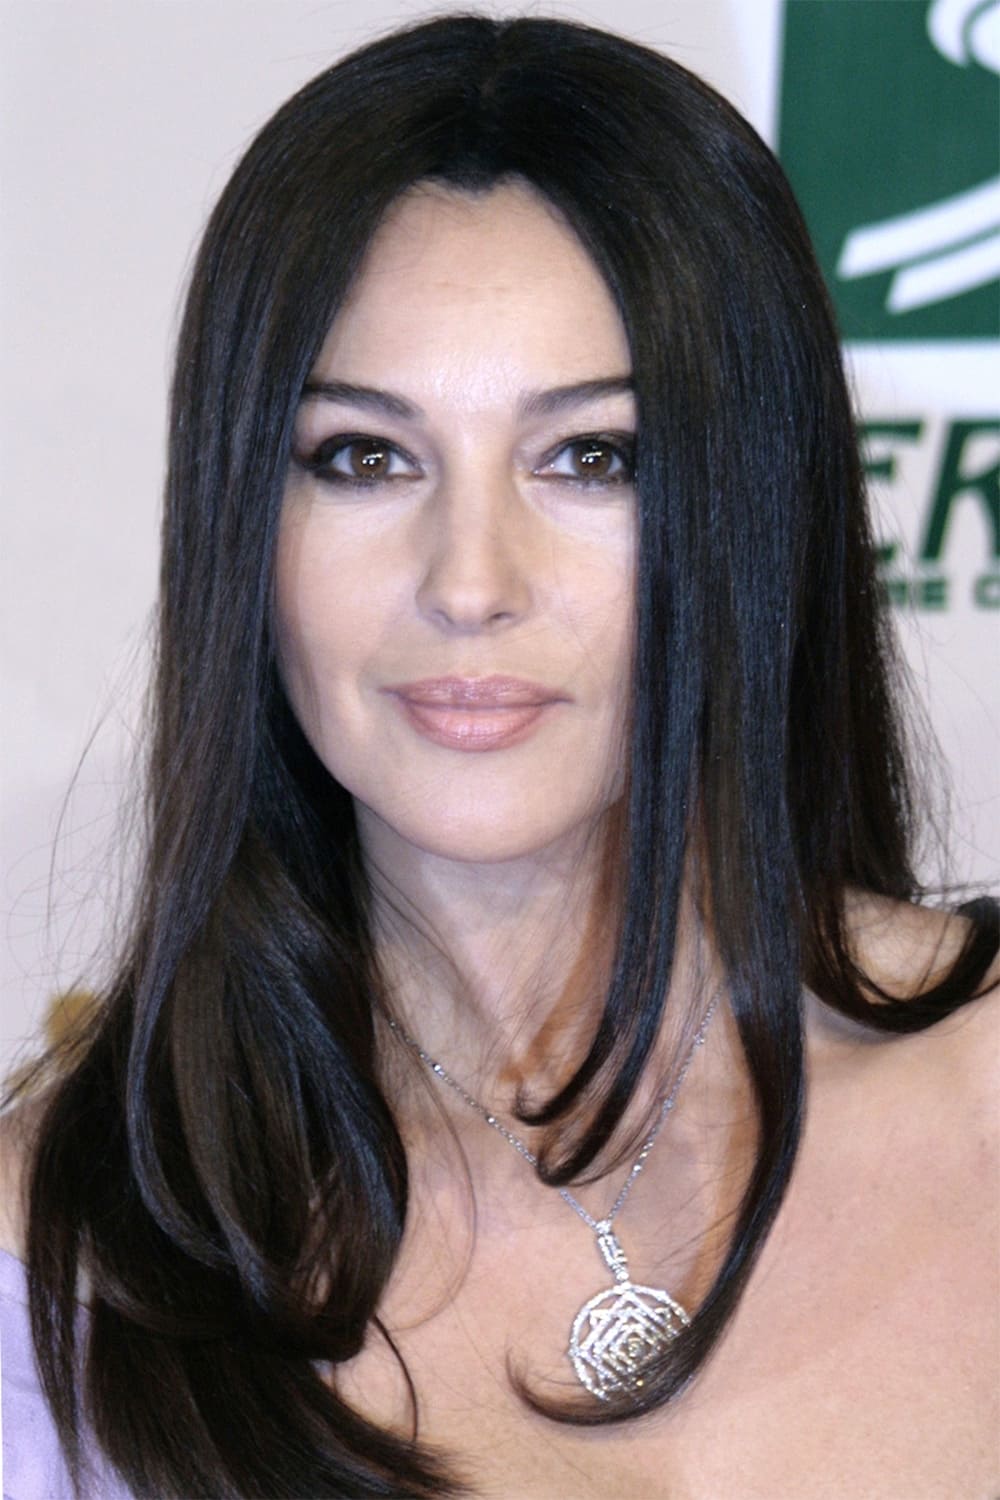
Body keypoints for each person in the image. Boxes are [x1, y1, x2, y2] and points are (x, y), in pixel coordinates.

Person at [1, 13, 997, 1499]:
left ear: (753, 509)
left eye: (593, 457)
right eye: (364, 458)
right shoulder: (54, 1277)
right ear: (244, 532)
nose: (469, 583)